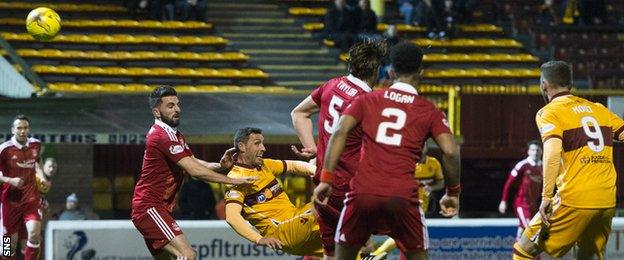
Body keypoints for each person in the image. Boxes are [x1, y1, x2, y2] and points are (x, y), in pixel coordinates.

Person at [313, 41, 461, 260]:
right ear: (421, 71)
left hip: (361, 194)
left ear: (391, 71)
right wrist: (452, 193)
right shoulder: (429, 111)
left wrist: (326, 179)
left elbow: (339, 133)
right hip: (402, 197)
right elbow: (451, 152)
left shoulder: (366, 100)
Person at [512, 61, 624, 260]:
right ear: (570, 85)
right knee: (587, 257)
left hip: (574, 198)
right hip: (606, 200)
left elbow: (552, 152)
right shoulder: (599, 109)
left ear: (544, 85)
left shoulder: (549, 112)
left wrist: (546, 196)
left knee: (523, 251)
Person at [131, 86, 256, 259]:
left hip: (158, 209)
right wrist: (235, 181)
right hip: (150, 208)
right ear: (156, 112)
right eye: (170, 106)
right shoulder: (162, 136)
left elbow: (195, 162)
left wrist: (221, 165)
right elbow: (194, 171)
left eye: (177, 104)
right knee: (188, 255)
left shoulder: (175, 135)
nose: (177, 109)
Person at [291, 40, 387, 260]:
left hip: (324, 187)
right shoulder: (368, 103)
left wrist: (315, 151)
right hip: (350, 190)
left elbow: (298, 113)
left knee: (332, 254)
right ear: (376, 69)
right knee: (368, 249)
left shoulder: (332, 85)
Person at [224, 127, 323, 257]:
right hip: (282, 230)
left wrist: (317, 172)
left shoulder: (264, 165)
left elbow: (293, 166)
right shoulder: (236, 178)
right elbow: (232, 217)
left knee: (342, 245)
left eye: (262, 143)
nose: (263, 148)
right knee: (327, 203)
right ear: (242, 146)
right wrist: (259, 239)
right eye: (257, 143)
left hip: (296, 223)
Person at [363, 145, 445, 259]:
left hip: (422, 206)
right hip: (406, 204)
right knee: (408, 235)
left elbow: (440, 183)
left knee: (407, 237)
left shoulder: (433, 163)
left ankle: (375, 253)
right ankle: (375, 253)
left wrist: (430, 188)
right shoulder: (405, 163)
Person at [0, 115, 49, 259]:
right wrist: (9, 180)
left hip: (31, 198)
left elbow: (37, 162)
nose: (22, 131)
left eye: (25, 128)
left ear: (29, 129)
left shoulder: (36, 145)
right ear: (12, 130)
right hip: (10, 200)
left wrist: (41, 175)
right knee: (9, 241)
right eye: (19, 128)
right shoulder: (4, 149)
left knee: (34, 235)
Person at [498, 140, 543, 240]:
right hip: (521, 203)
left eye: (537, 150)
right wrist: (503, 201)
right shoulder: (522, 165)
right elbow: (509, 183)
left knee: (522, 229)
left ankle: (517, 253)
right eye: (532, 150)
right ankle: (535, 256)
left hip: (534, 205)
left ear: (541, 151)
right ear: (528, 152)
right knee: (531, 231)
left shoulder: (543, 167)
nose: (535, 152)